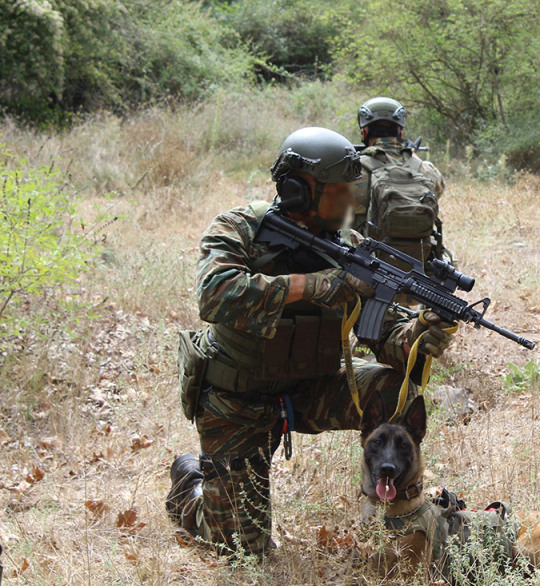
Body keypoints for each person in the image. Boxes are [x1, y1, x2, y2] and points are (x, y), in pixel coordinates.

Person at [165, 126, 455, 556]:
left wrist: (422, 333)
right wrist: (313, 285)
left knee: (398, 390)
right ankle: (190, 487)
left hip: (309, 388)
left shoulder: (350, 246)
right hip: (237, 398)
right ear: (298, 190)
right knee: (242, 550)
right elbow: (216, 294)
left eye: (350, 190)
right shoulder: (240, 227)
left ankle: (395, 511)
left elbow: (387, 334)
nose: (349, 202)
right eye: (337, 192)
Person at [351, 97, 450, 268]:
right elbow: (438, 188)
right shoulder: (425, 170)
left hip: (367, 270)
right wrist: (413, 159)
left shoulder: (353, 171)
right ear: (401, 132)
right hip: (420, 272)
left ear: (365, 132)